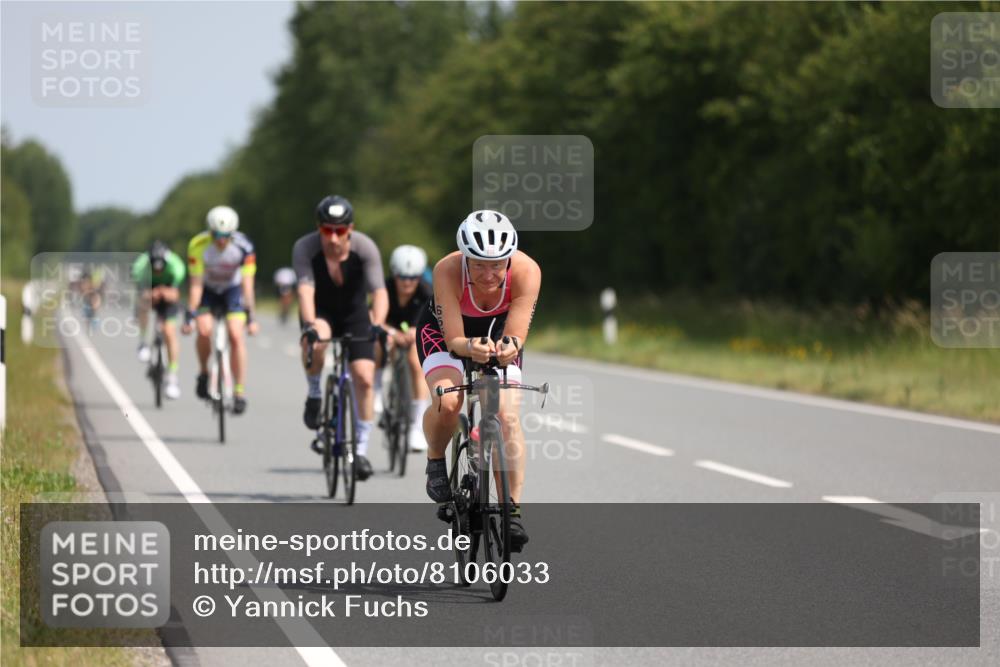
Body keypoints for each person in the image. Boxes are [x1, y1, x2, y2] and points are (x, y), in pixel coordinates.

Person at [417, 210, 541, 552]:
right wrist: (470, 348)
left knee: (507, 417)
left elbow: (516, 334)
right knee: (448, 401)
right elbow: (455, 339)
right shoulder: (447, 269)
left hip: (497, 332)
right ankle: (435, 458)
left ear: (509, 259)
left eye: (497, 265)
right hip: (445, 333)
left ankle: (512, 511)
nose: (488, 275)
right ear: (465, 259)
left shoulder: (527, 271)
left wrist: (509, 348)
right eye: (478, 265)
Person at [294, 195, 388, 481]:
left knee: (364, 378)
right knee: (317, 341)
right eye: (327, 230)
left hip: (354, 314)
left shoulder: (365, 247)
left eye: (340, 230)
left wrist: (377, 324)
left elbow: (379, 292)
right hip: (320, 312)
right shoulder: (305, 248)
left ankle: (360, 450)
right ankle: (314, 393)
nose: (333, 237)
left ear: (350, 228)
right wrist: (310, 326)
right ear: (318, 228)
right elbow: (305, 291)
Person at [181, 205, 259, 414]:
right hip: (207, 290)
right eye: (216, 235)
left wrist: (251, 317)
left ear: (233, 233)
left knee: (236, 335)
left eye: (226, 236)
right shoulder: (198, 245)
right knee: (204, 330)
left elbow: (247, 284)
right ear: (210, 232)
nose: (221, 240)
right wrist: (190, 314)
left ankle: (239, 391)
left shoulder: (245, 246)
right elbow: (196, 285)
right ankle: (203, 373)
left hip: (232, 290)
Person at [375, 245, 433, 452]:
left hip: (414, 332)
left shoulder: (427, 291)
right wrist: (392, 333)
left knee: (416, 363)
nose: (407, 282)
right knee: (381, 342)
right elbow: (374, 319)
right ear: (394, 274)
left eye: (413, 277)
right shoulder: (384, 288)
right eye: (402, 277)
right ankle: (377, 389)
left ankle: (417, 425)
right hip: (391, 330)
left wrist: (416, 331)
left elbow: (433, 321)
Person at [133, 240, 186, 399]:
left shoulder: (176, 266)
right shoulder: (140, 267)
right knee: (143, 305)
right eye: (154, 267)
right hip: (148, 290)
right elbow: (141, 292)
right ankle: (143, 342)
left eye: (160, 267)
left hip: (168, 294)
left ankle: (172, 376)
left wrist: (163, 292)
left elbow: (175, 294)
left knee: (169, 333)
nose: (157, 270)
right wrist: (150, 294)